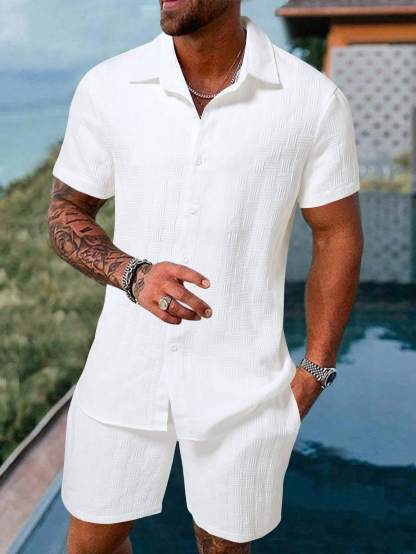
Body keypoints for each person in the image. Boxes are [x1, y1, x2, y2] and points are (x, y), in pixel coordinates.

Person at [48, 1, 364, 552]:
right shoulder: (109, 87)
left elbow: (336, 232)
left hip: (244, 386)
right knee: (91, 544)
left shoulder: (312, 101)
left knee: (225, 547)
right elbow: (65, 211)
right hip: (122, 371)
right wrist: (132, 275)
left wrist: (315, 368)